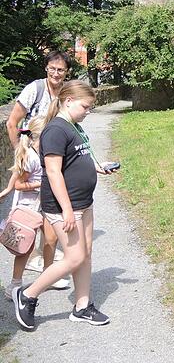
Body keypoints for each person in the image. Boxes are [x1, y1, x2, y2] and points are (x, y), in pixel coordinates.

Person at [13, 80, 118, 330]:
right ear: (68, 101)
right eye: (86, 106)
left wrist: (96, 167)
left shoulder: (74, 126)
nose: (88, 111)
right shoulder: (56, 130)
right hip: (65, 206)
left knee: (86, 252)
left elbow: (76, 158)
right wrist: (67, 209)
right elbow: (53, 171)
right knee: (75, 256)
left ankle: (82, 307)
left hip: (83, 201)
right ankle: (27, 295)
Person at [5, 51, 70, 281]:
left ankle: (46, 273)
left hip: (53, 160)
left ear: (66, 72)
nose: (55, 73)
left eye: (60, 69)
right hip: (34, 160)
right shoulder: (35, 89)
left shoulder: (64, 94)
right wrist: (22, 153)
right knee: (29, 224)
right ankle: (18, 277)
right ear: (46, 68)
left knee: (51, 229)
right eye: (52, 68)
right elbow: (13, 123)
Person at [4, 117, 69, 299]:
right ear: (36, 138)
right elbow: (18, 184)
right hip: (29, 207)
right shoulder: (30, 157)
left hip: (45, 204)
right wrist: (40, 183)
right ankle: (15, 284)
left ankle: (48, 277)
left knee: (50, 239)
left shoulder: (46, 155)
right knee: (26, 246)